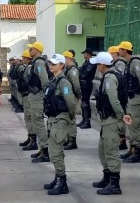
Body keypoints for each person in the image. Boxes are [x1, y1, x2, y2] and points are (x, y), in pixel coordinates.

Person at [90, 52, 132, 195]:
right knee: (103, 150)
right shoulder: (111, 76)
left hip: (112, 120)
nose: (97, 67)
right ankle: (107, 178)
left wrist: (121, 115)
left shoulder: (109, 78)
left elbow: (114, 100)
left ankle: (114, 185)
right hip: (108, 120)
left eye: (97, 64)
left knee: (111, 152)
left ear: (102, 65)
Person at [43, 54, 76, 195]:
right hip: (53, 119)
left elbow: (71, 102)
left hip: (60, 119)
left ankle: (62, 183)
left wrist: (69, 118)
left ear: (62, 65)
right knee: (54, 151)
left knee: (55, 151)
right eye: (50, 63)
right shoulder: (54, 80)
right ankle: (58, 177)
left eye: (54, 64)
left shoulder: (63, 82)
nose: (51, 66)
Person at [118, 41, 140, 163]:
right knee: (131, 126)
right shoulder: (128, 63)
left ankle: (137, 153)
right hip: (130, 99)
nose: (119, 51)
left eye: (120, 49)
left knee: (135, 127)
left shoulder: (136, 63)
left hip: (136, 98)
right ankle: (132, 150)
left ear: (125, 50)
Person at [27, 41, 50, 163]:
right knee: (36, 122)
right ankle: (42, 149)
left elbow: (44, 80)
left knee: (39, 123)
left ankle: (45, 152)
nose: (30, 50)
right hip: (34, 96)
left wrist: (43, 94)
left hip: (38, 96)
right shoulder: (36, 62)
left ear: (38, 50)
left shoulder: (39, 62)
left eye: (32, 49)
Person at [16, 50, 38, 150]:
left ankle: (33, 140)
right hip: (25, 95)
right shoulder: (27, 67)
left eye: (24, 58)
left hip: (28, 95)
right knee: (27, 118)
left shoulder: (29, 68)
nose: (22, 60)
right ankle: (30, 137)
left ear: (26, 58)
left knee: (29, 118)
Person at [108, 46, 127, 150]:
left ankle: (122, 143)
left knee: (121, 119)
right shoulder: (116, 63)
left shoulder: (119, 63)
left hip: (121, 95)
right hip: (120, 93)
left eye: (110, 54)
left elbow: (120, 77)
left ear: (115, 54)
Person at [62, 51, 81, 150]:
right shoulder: (68, 69)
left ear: (69, 58)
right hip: (69, 95)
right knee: (68, 118)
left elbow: (76, 85)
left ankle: (72, 140)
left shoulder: (73, 70)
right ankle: (68, 138)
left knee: (72, 118)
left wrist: (77, 96)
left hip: (72, 95)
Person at [77, 48, 97, 129]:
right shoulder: (87, 62)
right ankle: (84, 119)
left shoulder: (91, 62)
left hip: (87, 84)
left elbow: (85, 74)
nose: (83, 55)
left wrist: (80, 75)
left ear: (87, 54)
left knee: (85, 103)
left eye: (84, 53)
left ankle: (87, 121)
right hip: (83, 84)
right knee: (83, 103)